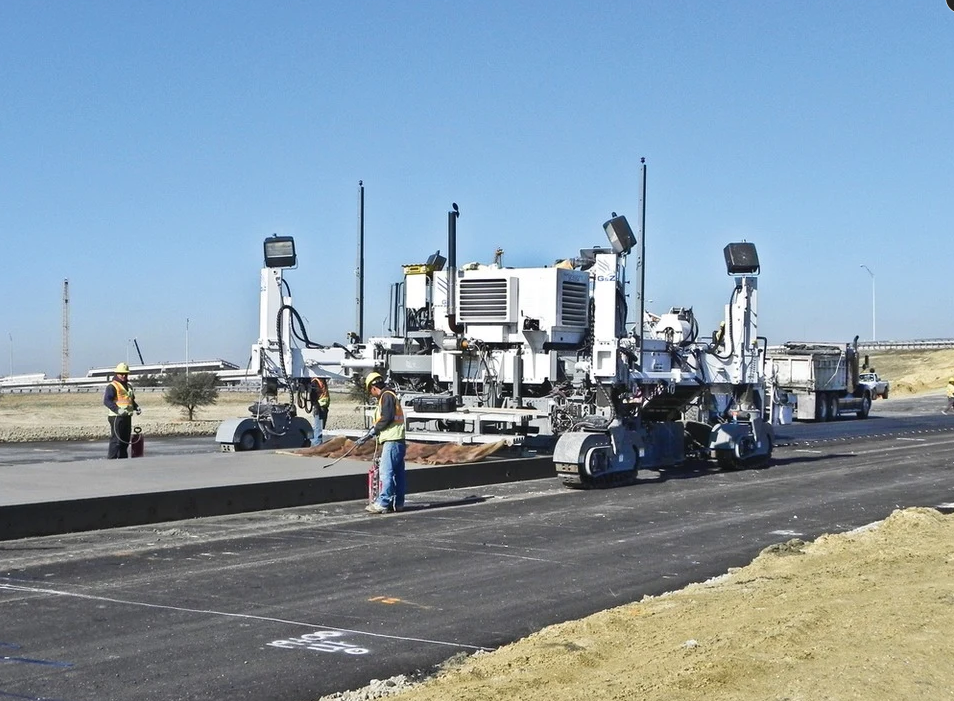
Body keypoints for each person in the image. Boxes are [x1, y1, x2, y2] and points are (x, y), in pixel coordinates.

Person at [356, 372, 406, 514]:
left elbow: (387, 417)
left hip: (392, 440)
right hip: (397, 439)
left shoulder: (386, 396)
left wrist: (372, 432)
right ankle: (398, 503)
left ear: (373, 387)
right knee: (398, 474)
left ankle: (383, 503)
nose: (371, 394)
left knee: (386, 473)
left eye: (370, 391)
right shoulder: (390, 395)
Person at [103, 362, 140, 459]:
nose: (123, 375)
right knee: (116, 440)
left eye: (125, 374)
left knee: (125, 440)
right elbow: (107, 401)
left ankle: (123, 461)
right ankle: (112, 459)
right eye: (121, 374)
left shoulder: (129, 386)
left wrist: (136, 407)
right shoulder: (112, 386)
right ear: (117, 374)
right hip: (116, 417)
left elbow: (130, 400)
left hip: (127, 416)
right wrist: (117, 410)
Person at [309, 376, 331, 446]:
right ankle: (316, 444)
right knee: (319, 428)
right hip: (320, 407)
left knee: (319, 427)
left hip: (323, 407)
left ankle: (316, 443)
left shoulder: (321, 380)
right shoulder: (315, 382)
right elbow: (314, 396)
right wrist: (316, 406)